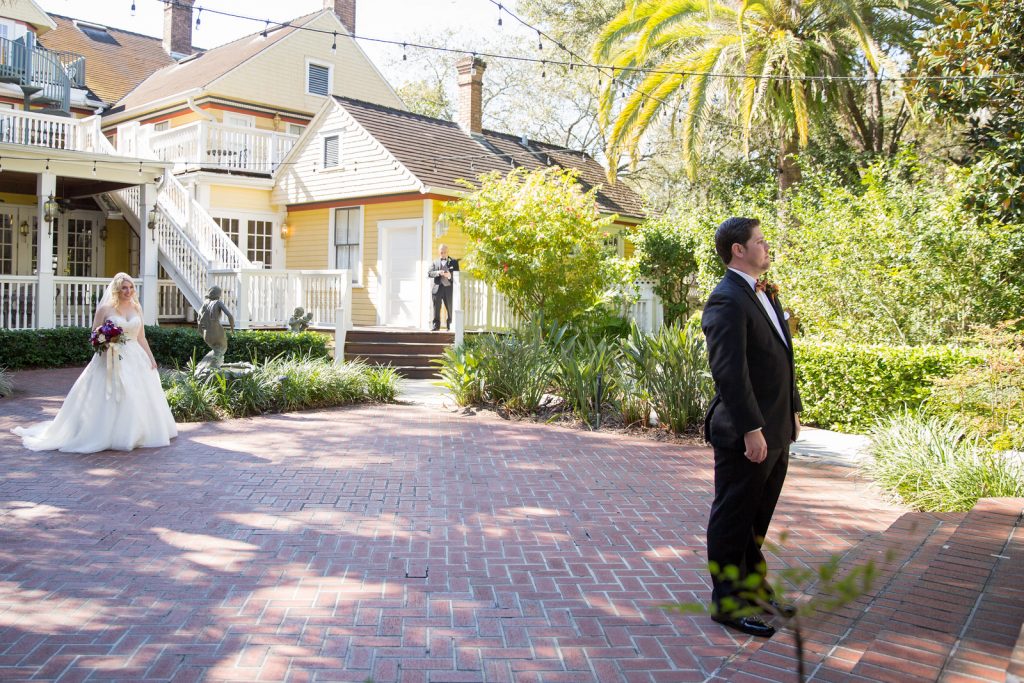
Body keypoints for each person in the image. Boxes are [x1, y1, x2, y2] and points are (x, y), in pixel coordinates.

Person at [700, 217, 802, 638]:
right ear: (738, 250)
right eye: (759, 241)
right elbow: (729, 372)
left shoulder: (763, 293)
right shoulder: (726, 300)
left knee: (757, 518)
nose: (766, 246)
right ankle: (726, 604)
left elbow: (783, 357)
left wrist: (793, 409)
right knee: (733, 518)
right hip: (747, 434)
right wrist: (750, 429)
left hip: (777, 427)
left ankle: (754, 589)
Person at [13, 273, 178, 453]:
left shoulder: (136, 308)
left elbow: (141, 337)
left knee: (136, 393)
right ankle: (104, 433)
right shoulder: (105, 310)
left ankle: (137, 432)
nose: (128, 291)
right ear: (116, 289)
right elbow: (94, 335)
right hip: (109, 357)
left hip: (136, 357)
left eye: (130, 287)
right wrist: (106, 343)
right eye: (124, 287)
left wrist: (151, 359)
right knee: (110, 393)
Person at [196, 285, 235, 372]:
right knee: (222, 348)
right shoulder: (218, 302)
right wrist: (232, 328)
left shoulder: (205, 303)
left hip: (206, 334)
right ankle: (213, 370)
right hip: (217, 332)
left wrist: (201, 331)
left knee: (216, 350)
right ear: (218, 294)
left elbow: (198, 318)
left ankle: (204, 366)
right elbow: (230, 316)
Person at [427, 243, 459, 331]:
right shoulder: (435, 262)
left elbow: (457, 275)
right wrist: (437, 272)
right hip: (437, 288)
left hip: (448, 288)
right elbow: (429, 273)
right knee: (436, 308)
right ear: (439, 252)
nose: (443, 254)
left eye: (445, 252)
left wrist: (450, 275)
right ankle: (436, 325)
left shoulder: (454, 262)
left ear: (447, 252)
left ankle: (450, 326)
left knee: (449, 307)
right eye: (441, 252)